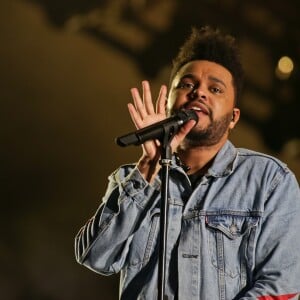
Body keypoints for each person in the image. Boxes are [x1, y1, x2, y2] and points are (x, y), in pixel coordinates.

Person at [74, 26, 300, 300]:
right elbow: (95, 257)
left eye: (215, 88)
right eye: (187, 84)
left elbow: (283, 287)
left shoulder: (268, 180)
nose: (199, 93)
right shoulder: (131, 179)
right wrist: (149, 164)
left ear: (234, 117)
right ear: (169, 102)